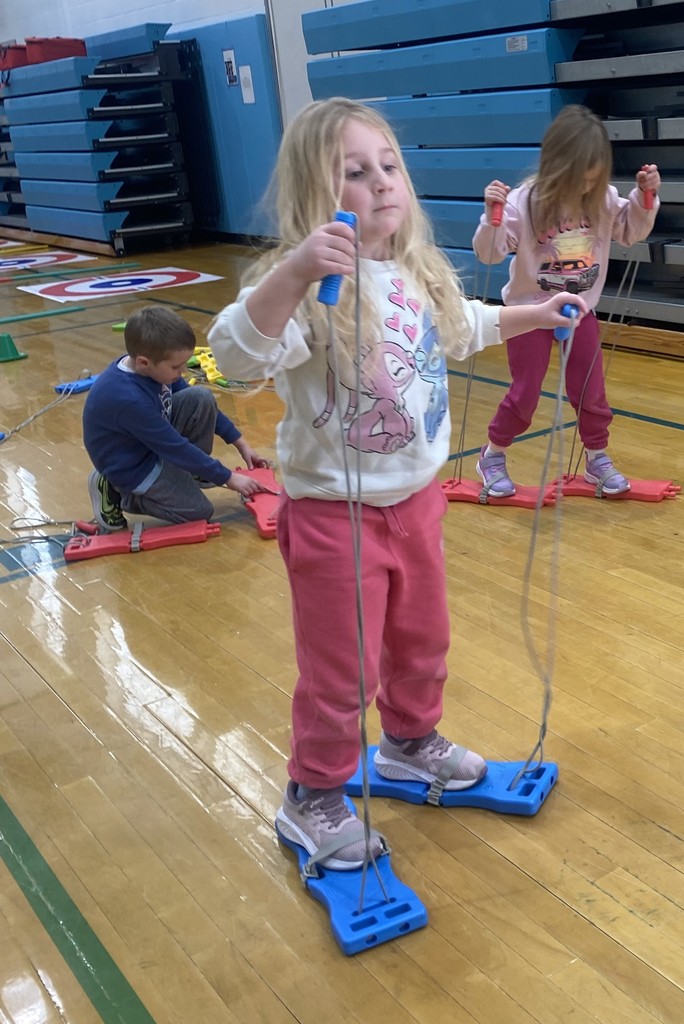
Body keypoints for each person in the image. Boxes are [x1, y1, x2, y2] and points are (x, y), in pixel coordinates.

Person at [208, 97, 588, 871]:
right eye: (355, 171)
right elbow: (236, 358)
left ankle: (410, 744)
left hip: (416, 502)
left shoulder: (413, 272)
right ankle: (311, 796)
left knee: (422, 643)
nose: (381, 182)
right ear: (316, 194)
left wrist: (535, 311)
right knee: (341, 671)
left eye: (388, 166)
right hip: (333, 518)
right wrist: (296, 271)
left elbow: (465, 327)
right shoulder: (306, 287)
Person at [473, 104, 661, 497]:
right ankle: (492, 455)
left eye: (592, 182)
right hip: (530, 313)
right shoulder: (524, 202)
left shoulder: (603, 199)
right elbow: (489, 254)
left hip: (579, 312)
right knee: (525, 393)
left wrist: (645, 197)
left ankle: (596, 459)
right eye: (578, 182)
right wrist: (491, 217)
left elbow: (630, 231)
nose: (584, 191)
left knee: (591, 391)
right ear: (555, 167)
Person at [83, 305, 269, 531]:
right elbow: (174, 447)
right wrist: (228, 478)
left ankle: (191, 472)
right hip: (132, 465)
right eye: (176, 367)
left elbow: (192, 408)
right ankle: (119, 491)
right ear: (143, 362)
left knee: (200, 397)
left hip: (147, 443)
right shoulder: (129, 399)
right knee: (199, 512)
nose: (183, 372)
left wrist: (241, 443)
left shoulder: (153, 369)